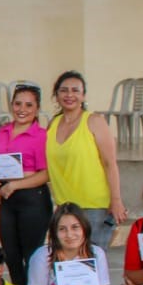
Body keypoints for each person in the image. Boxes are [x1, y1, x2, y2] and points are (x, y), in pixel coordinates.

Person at [46, 71, 127, 248]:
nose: (69, 95)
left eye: (75, 90)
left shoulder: (94, 121)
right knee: (68, 259)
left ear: (83, 96)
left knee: (92, 258)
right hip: (65, 207)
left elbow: (110, 163)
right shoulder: (53, 124)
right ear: (56, 95)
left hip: (94, 206)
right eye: (64, 90)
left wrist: (116, 200)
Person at [0, 84, 52, 285]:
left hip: (33, 200)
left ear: (37, 108)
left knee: (31, 257)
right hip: (8, 200)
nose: (22, 109)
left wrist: (16, 184)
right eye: (18, 104)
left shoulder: (41, 135)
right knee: (11, 256)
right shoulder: (2, 131)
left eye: (28, 105)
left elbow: (46, 174)